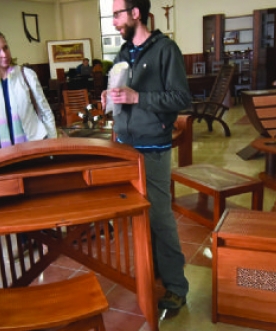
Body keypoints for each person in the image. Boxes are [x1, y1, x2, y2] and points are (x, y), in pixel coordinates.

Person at [102, 0, 192, 310]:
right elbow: (119, 89)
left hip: (152, 146)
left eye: (117, 14)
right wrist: (110, 96)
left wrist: (137, 96)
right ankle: (152, 272)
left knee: (159, 216)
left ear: (135, 13)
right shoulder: (124, 53)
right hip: (125, 143)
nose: (114, 21)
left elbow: (181, 97)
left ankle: (177, 286)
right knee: (138, 216)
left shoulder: (166, 49)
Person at [0, 29, 57, 154]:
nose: (4, 54)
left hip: (32, 146)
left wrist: (53, 146)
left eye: (5, 48)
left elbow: (46, 112)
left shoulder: (27, 75)